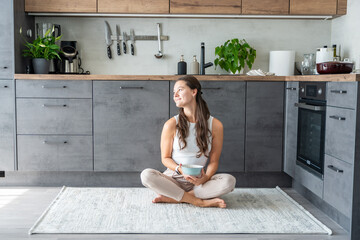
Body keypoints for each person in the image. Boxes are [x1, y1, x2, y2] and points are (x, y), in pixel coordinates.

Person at [140, 75, 236, 208]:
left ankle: (175, 198)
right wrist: (181, 170)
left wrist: (206, 178)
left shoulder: (215, 125)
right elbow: (165, 158)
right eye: (174, 92)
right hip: (173, 178)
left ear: (194, 91)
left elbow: (214, 161)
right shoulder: (171, 124)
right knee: (147, 175)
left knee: (229, 181)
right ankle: (198, 201)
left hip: (199, 181)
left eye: (179, 90)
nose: (175, 95)